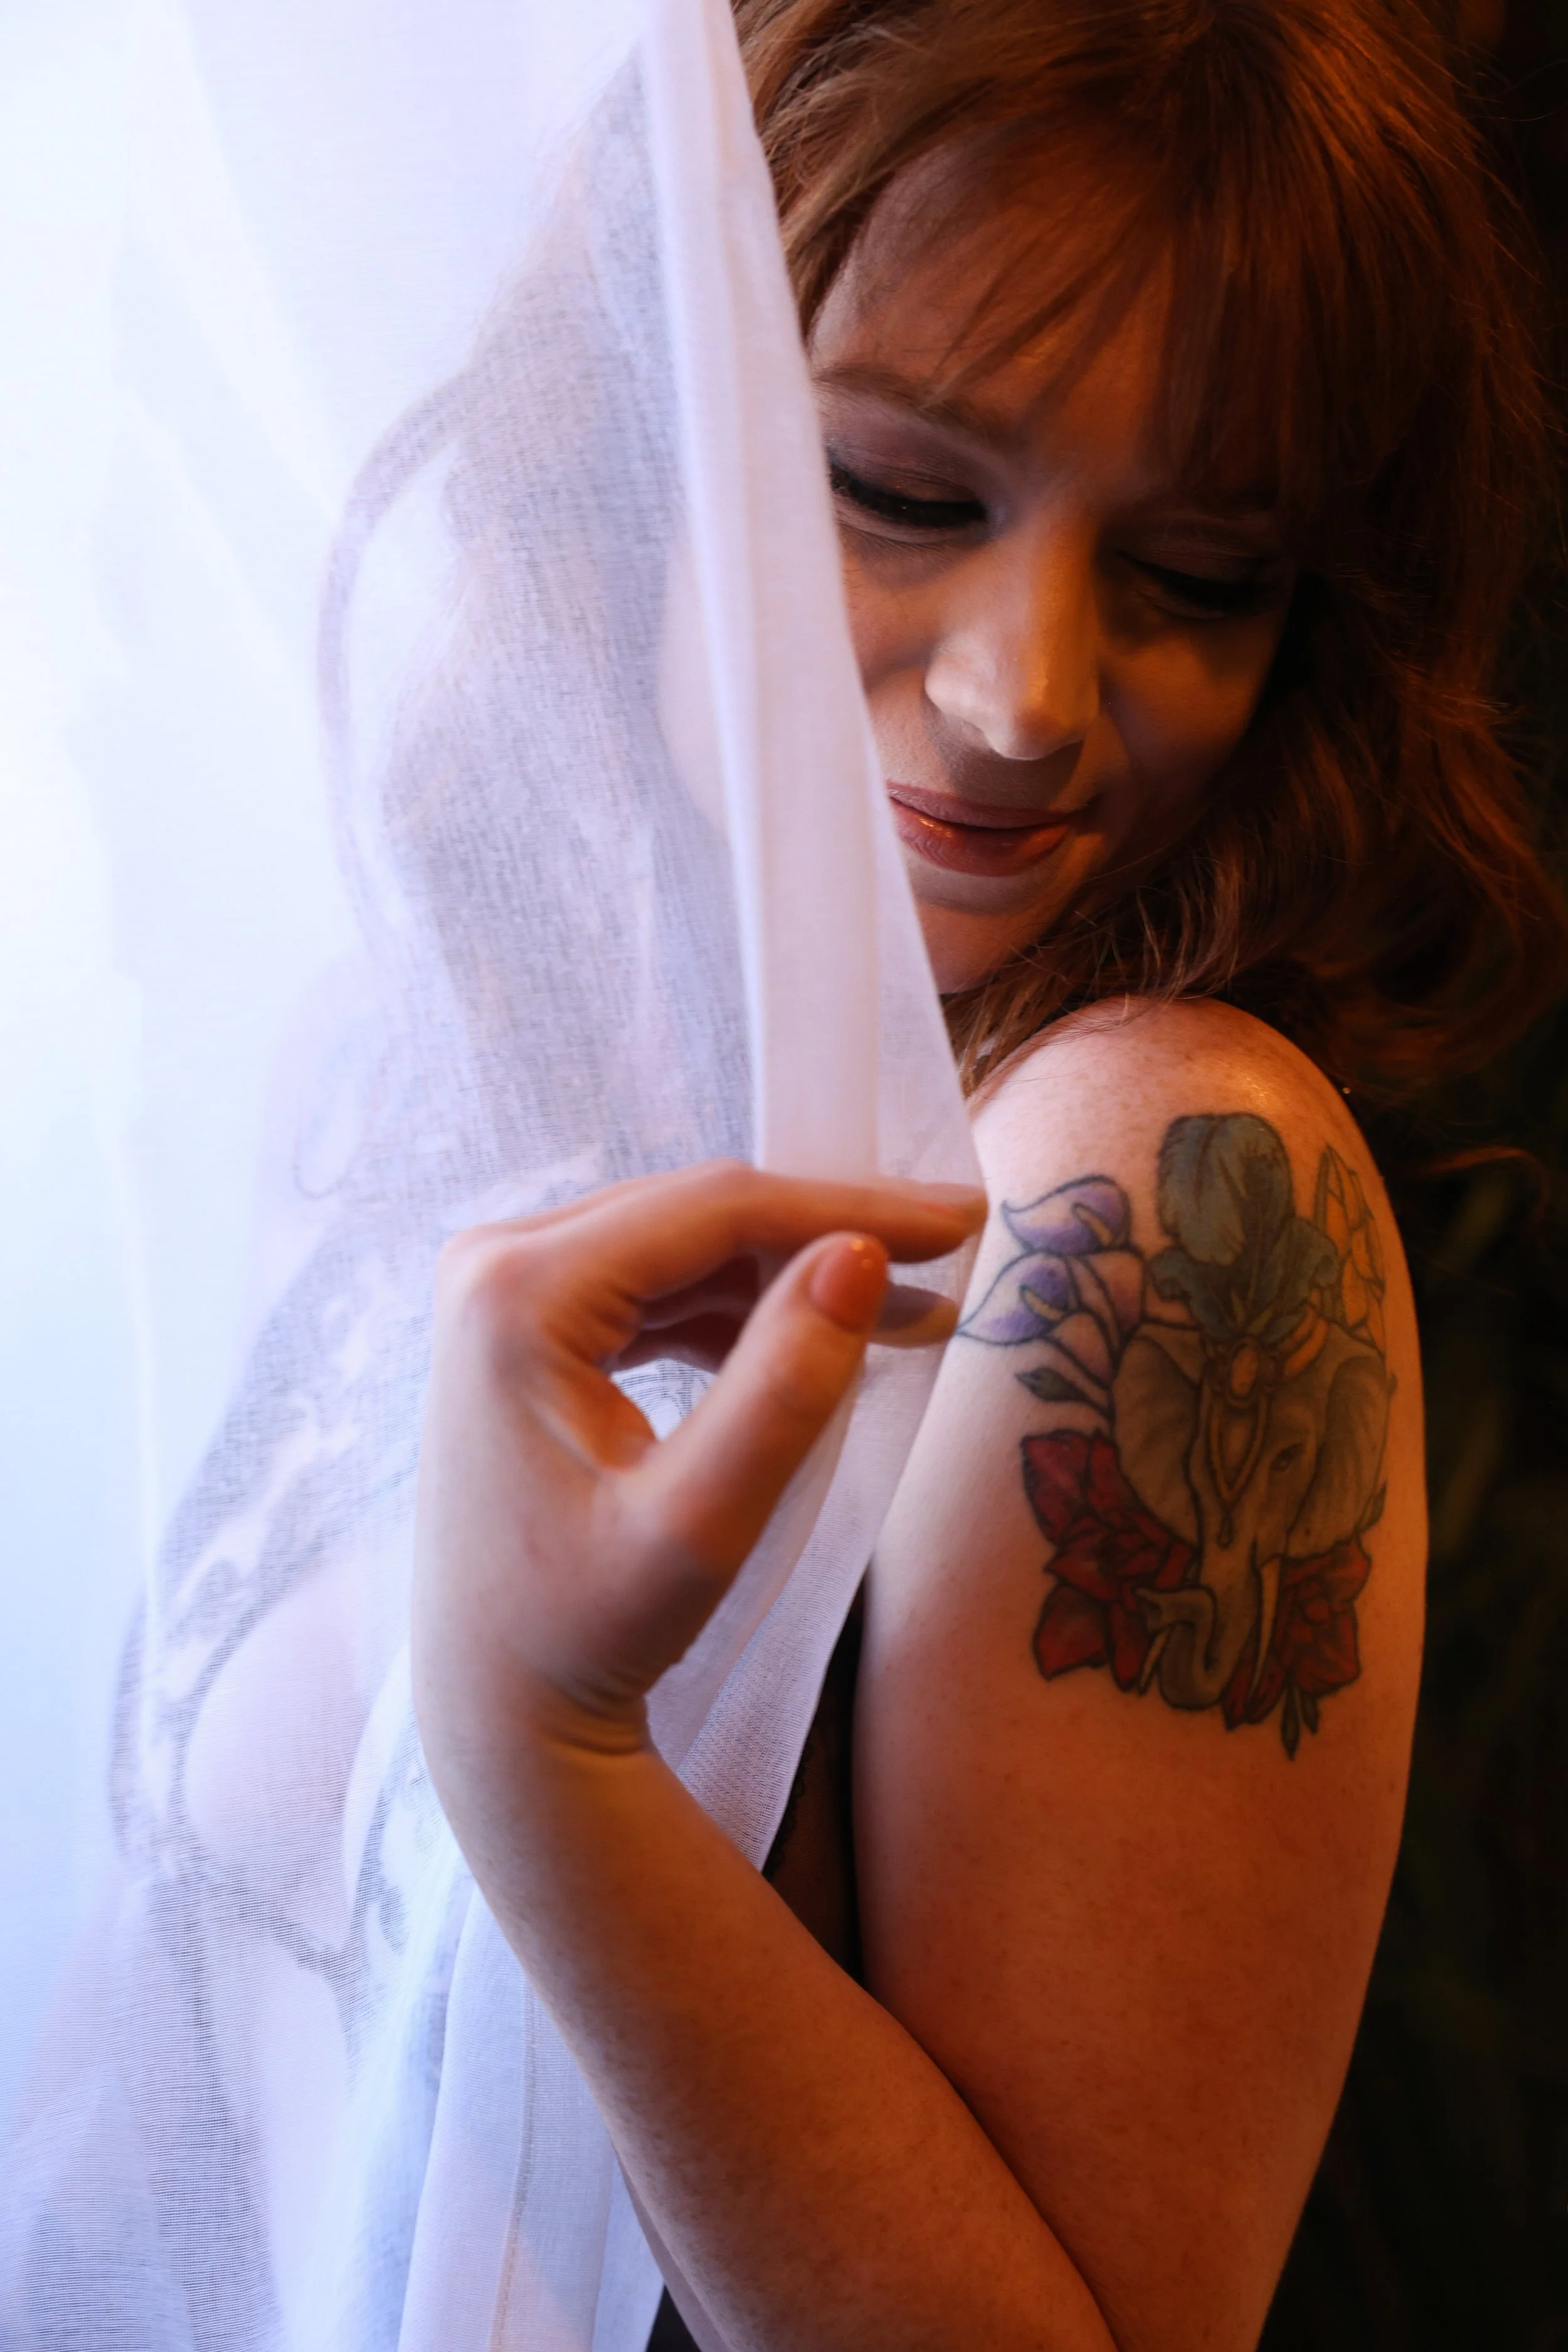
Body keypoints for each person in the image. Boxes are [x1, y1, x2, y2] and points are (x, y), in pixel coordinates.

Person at [408, 3, 1567, 2349]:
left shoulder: (1160, 1169)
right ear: (643, 398)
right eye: (903, 491)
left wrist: (556, 1772)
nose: (1030, 695)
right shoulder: (461, 1070)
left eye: (1201, 571)